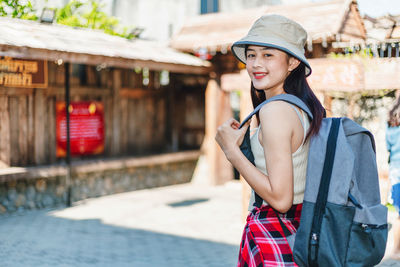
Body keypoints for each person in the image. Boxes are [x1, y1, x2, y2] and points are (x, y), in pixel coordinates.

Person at [215, 14, 325, 266]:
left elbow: (280, 198)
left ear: (292, 63)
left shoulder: (275, 111)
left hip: (275, 234)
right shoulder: (303, 108)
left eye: (268, 55)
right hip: (296, 232)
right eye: (251, 54)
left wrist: (232, 151)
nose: (255, 64)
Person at [386, 94, 400, 260]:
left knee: (398, 214)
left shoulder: (392, 123)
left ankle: (396, 250)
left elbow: (388, 146)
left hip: (396, 169)